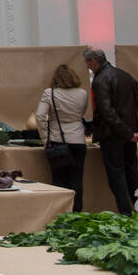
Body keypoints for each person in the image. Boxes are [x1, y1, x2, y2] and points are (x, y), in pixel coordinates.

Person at [84, 48, 138, 214]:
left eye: (88, 63)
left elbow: (107, 111)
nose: (88, 67)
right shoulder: (126, 75)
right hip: (130, 134)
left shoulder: (100, 80)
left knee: (116, 176)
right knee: (133, 173)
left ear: (94, 61)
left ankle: (125, 214)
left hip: (112, 134)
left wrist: (127, 132)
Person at [35, 65, 89, 212]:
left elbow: (40, 116)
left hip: (58, 140)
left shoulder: (50, 93)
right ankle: (77, 212)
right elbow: (81, 114)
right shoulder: (83, 93)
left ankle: (60, 213)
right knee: (77, 179)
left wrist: (45, 139)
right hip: (79, 140)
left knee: (59, 180)